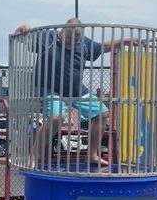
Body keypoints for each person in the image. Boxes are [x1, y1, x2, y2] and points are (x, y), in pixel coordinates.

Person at [16, 18, 137, 167]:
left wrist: (124, 41)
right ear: (62, 32)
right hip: (51, 89)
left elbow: (102, 46)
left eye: (76, 39)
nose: (72, 42)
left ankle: (92, 154)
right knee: (56, 118)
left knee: (102, 113)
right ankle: (34, 156)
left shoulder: (84, 43)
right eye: (68, 38)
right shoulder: (48, 38)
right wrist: (21, 31)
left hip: (75, 90)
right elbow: (25, 40)